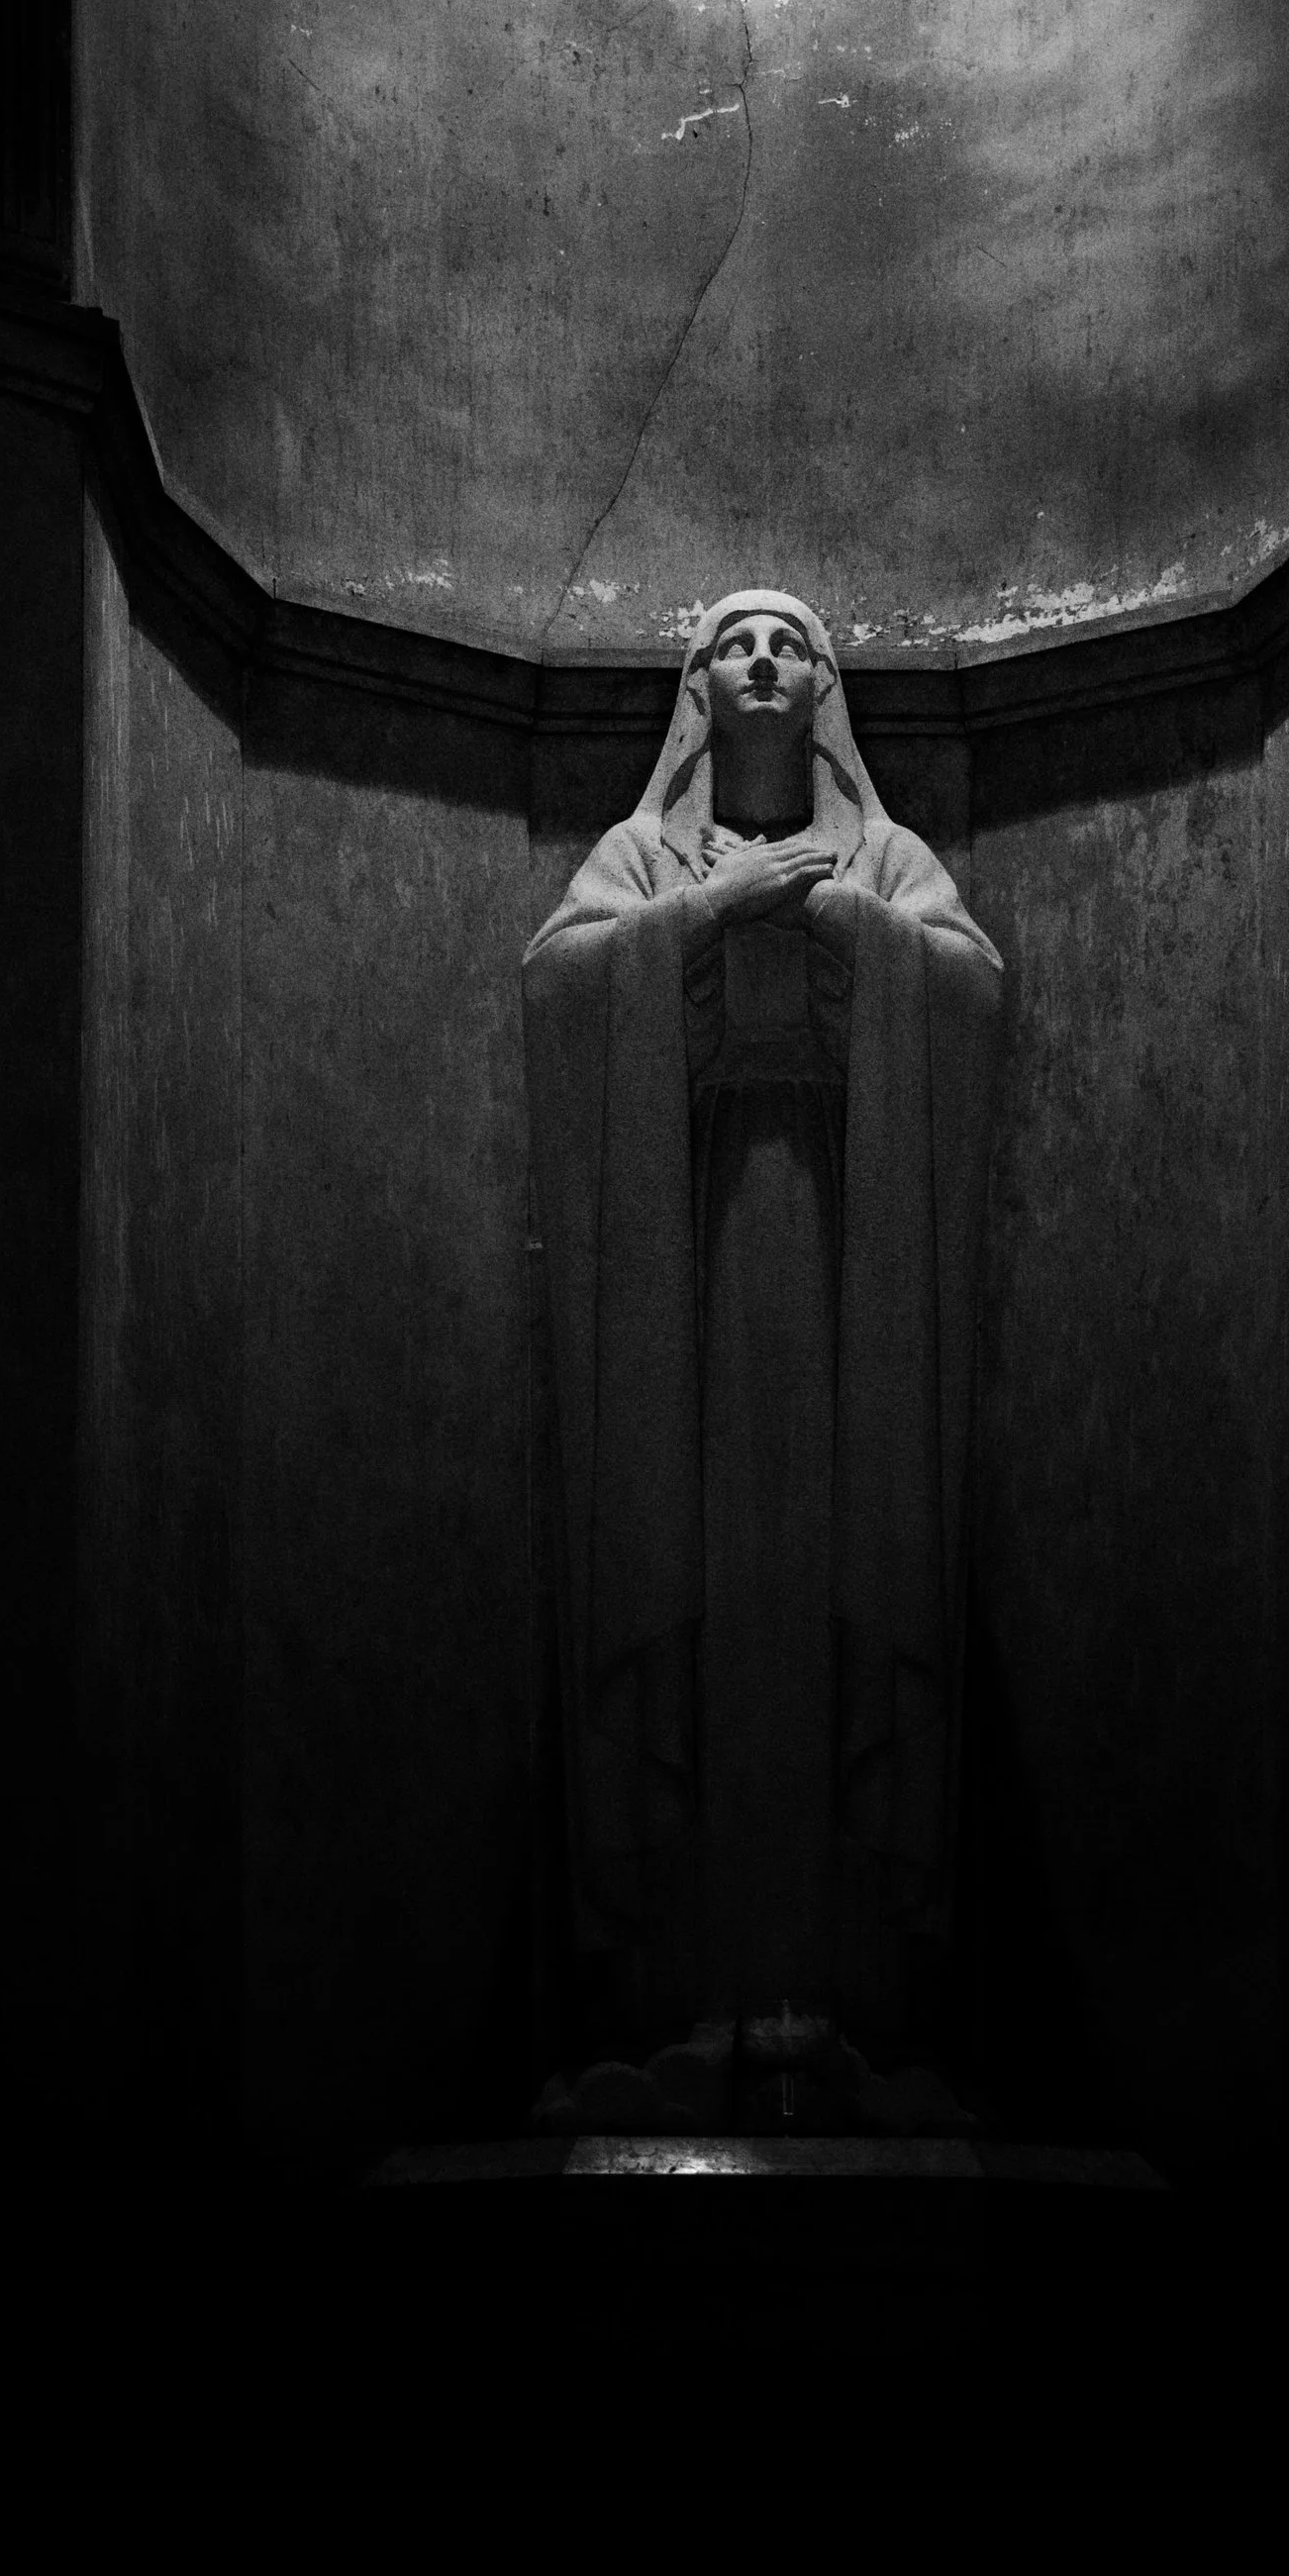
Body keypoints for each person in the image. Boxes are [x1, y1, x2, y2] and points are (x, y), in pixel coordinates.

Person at [523, 589, 1003, 2054]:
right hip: (687, 1272)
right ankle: (684, 1986)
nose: (763, 659)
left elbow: (968, 982)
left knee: (842, 1560)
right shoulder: (641, 855)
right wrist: (708, 914)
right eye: (735, 641)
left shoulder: (884, 853)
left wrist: (853, 919)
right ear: (698, 685)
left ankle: (853, 1986)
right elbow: (558, 981)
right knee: (697, 1566)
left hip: (853, 1274)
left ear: (824, 687)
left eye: (790, 641)